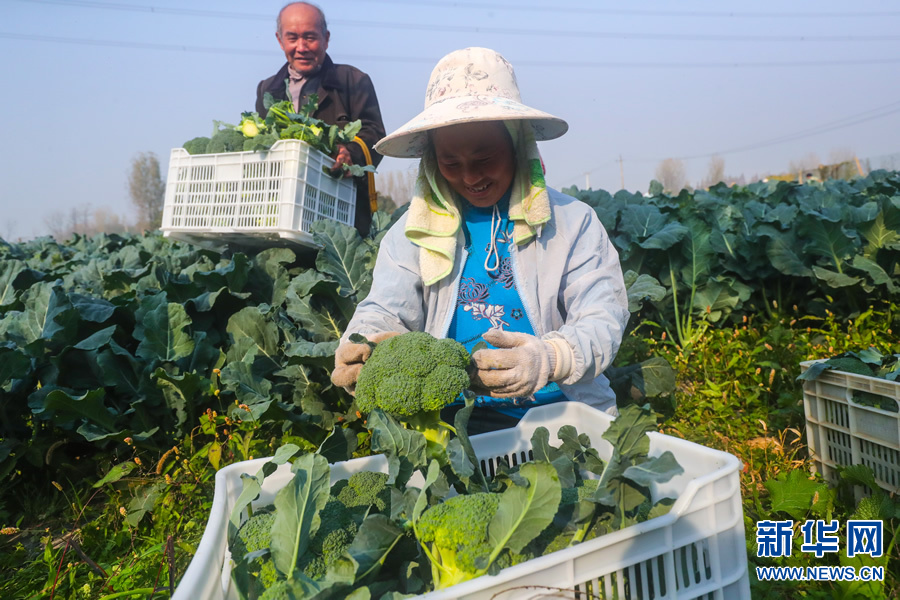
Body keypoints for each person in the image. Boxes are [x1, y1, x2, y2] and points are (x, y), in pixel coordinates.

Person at [331, 47, 629, 433]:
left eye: (484, 158)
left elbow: (601, 318)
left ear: (517, 147)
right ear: (432, 162)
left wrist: (549, 358)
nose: (470, 177)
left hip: (563, 413)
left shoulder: (573, 222)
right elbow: (386, 307)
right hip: (454, 421)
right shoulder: (412, 233)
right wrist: (364, 340)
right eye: (451, 163)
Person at [256, 1, 385, 237]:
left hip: (341, 215)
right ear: (280, 39)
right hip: (285, 214)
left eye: (310, 37)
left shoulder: (352, 81)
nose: (301, 47)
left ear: (326, 38)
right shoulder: (267, 90)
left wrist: (350, 152)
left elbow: (376, 135)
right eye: (292, 38)